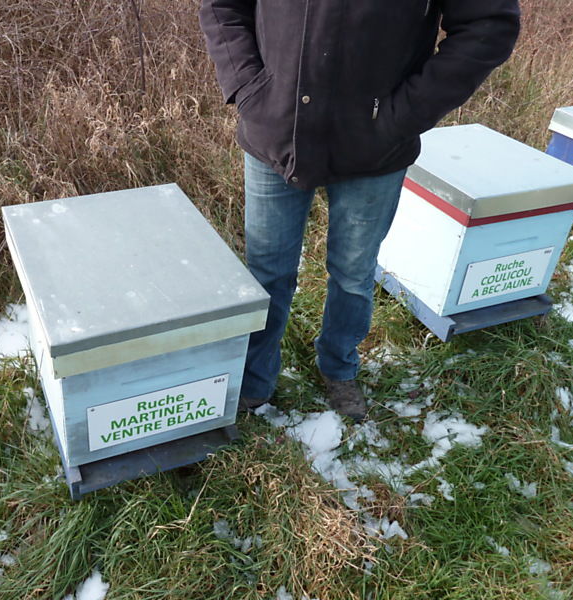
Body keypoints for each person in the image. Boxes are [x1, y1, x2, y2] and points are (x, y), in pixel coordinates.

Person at [199, 0, 521, 421]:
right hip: (274, 130)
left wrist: (400, 116)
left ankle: (338, 366)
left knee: (353, 272)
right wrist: (248, 88)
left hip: (376, 145)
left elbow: (489, 23)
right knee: (267, 271)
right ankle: (255, 378)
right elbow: (222, 6)